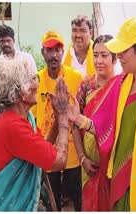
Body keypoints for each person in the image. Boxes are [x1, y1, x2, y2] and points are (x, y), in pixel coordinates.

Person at [67, 16, 136, 211]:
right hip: (118, 183)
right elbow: (105, 128)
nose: (118, 55)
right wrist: (79, 120)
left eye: (124, 50)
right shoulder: (121, 84)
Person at [0, 57, 70, 211]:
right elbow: (59, 161)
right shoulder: (12, 127)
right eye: (33, 79)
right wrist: (64, 114)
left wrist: (57, 118)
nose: (37, 84)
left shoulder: (19, 119)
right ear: (21, 91)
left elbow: (42, 148)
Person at [31, 31, 83, 211]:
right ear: (42, 52)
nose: (54, 55)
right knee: (53, 204)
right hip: (48, 153)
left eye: (57, 50)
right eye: (49, 50)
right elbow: (33, 118)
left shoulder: (76, 77)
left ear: (63, 52)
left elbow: (81, 115)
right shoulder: (35, 81)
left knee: (77, 202)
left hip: (73, 154)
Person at [71, 34, 117, 211]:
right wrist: (82, 159)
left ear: (115, 58)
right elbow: (75, 123)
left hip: (113, 164)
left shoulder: (123, 85)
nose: (98, 60)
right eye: (95, 55)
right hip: (89, 165)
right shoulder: (86, 85)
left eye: (104, 55)